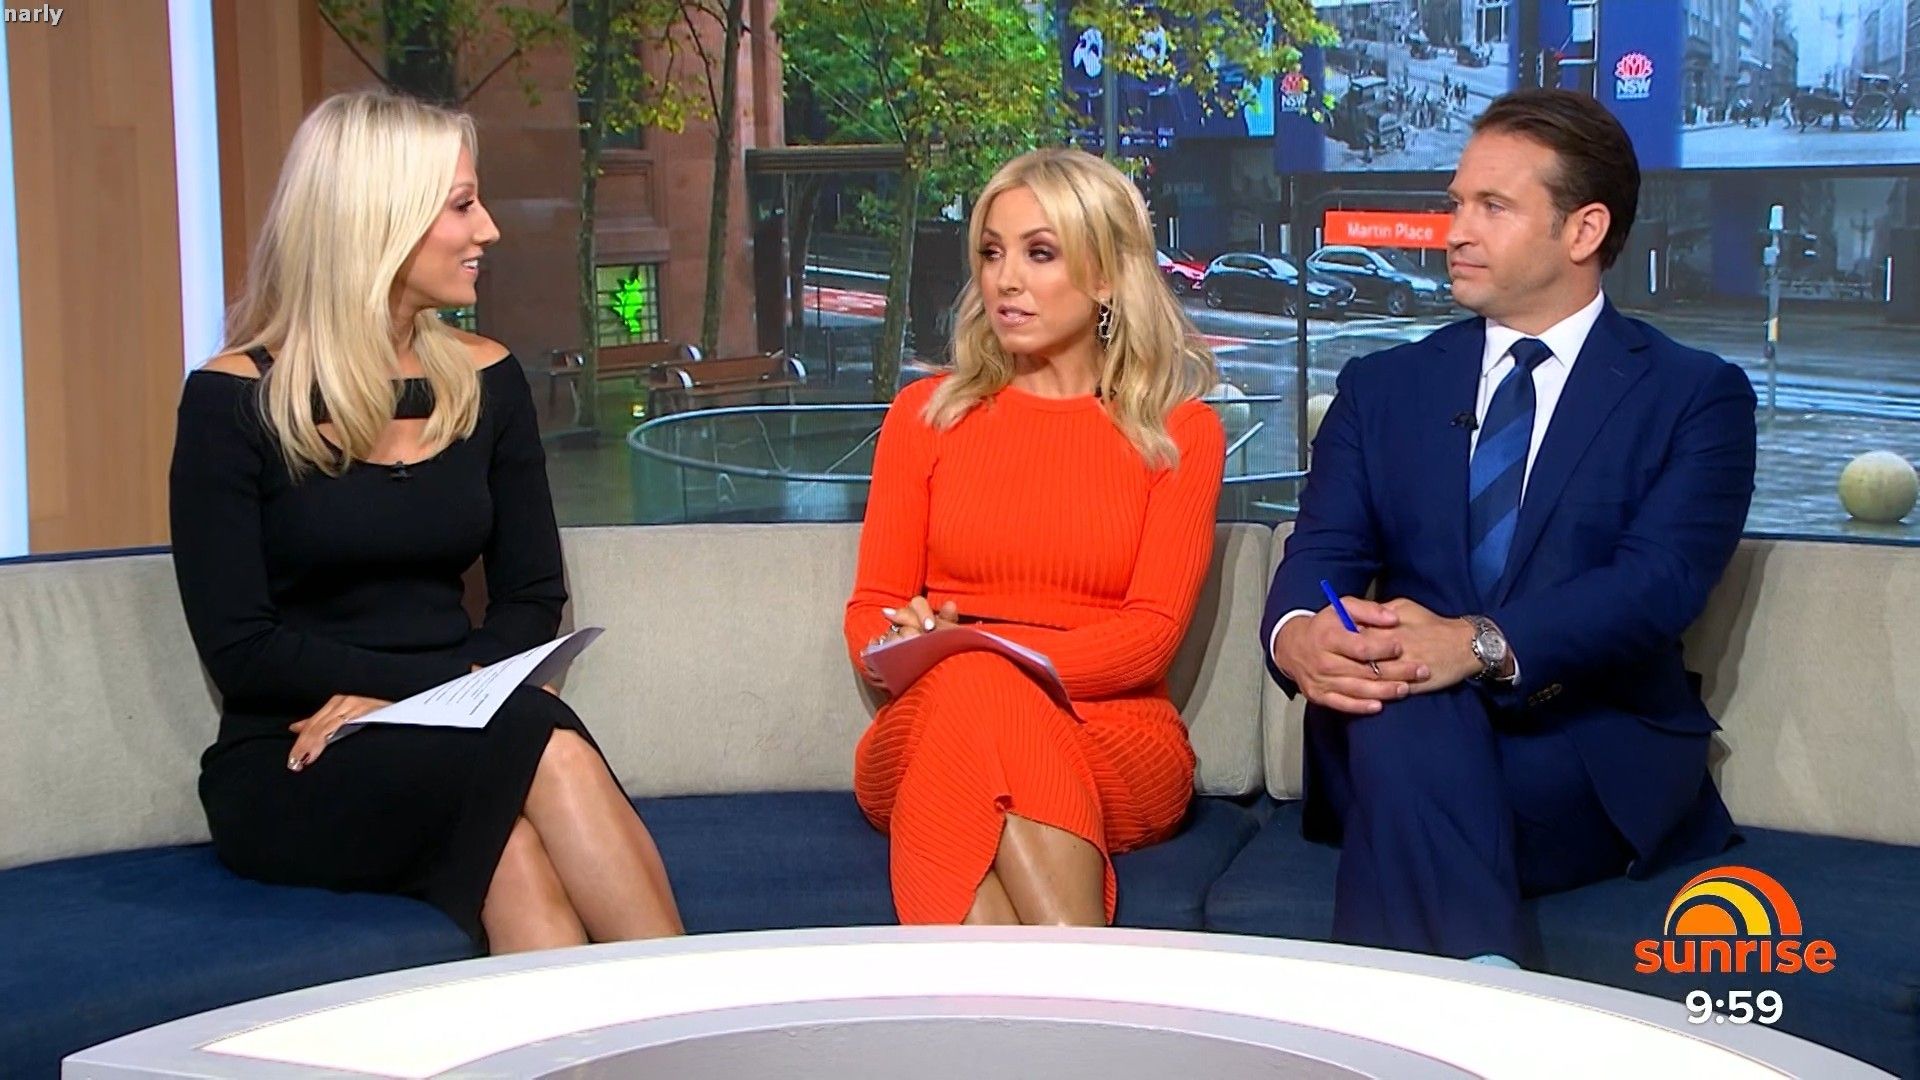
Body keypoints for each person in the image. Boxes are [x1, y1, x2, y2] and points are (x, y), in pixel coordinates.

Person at [169, 90, 682, 953]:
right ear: (380, 218)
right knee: (545, 744)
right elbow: (243, 650)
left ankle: (645, 1024)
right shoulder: (231, 402)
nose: (489, 230)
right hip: (297, 751)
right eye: (461, 206)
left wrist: (421, 699)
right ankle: (697, 1018)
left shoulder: (489, 381)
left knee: (513, 848)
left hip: (458, 723)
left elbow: (532, 596)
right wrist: (425, 695)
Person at [1261, 89, 1756, 965]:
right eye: (1456, 203)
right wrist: (1296, 634)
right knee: (1407, 706)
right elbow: (1324, 551)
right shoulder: (1383, 387)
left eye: (1492, 206)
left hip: (1580, 750)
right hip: (1398, 727)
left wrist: (1476, 643)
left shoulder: (1693, 396)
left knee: (1407, 714)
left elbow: (1658, 585)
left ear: (1584, 229)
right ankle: (1486, 996)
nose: (1455, 231)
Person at [844, 148, 1226, 926]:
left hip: (1110, 732)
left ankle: (999, 1008)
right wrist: (905, 642)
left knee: (981, 691)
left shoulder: (1179, 432)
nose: (1004, 280)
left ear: (1107, 276)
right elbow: (871, 608)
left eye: (1038, 253)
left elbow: (1150, 638)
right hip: (933, 717)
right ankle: (1081, 993)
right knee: (972, 695)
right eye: (992, 253)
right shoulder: (924, 416)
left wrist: (982, 655)